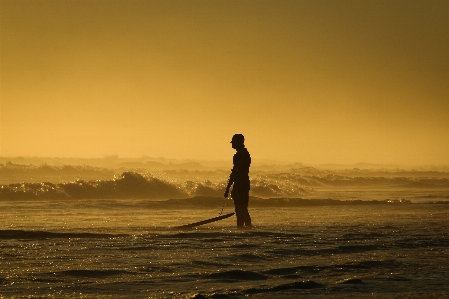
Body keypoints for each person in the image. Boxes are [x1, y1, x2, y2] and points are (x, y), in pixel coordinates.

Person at [224, 134, 252, 228]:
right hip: (245, 183)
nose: (232, 144)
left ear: (239, 142)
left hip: (240, 184)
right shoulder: (245, 153)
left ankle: (240, 228)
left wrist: (228, 188)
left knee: (239, 209)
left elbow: (236, 172)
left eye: (234, 142)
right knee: (244, 208)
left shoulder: (239, 155)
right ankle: (248, 227)